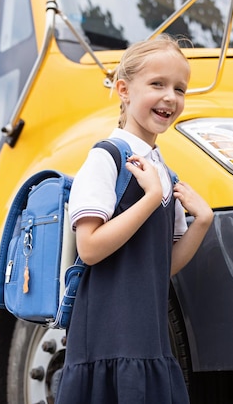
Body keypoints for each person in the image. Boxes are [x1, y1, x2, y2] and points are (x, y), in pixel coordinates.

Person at [55, 34, 214, 404]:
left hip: (149, 341)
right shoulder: (106, 158)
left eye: (180, 88)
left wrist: (203, 221)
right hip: (108, 338)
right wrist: (151, 198)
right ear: (124, 89)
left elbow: (161, 266)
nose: (171, 97)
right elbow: (90, 248)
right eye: (157, 84)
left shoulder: (162, 171)